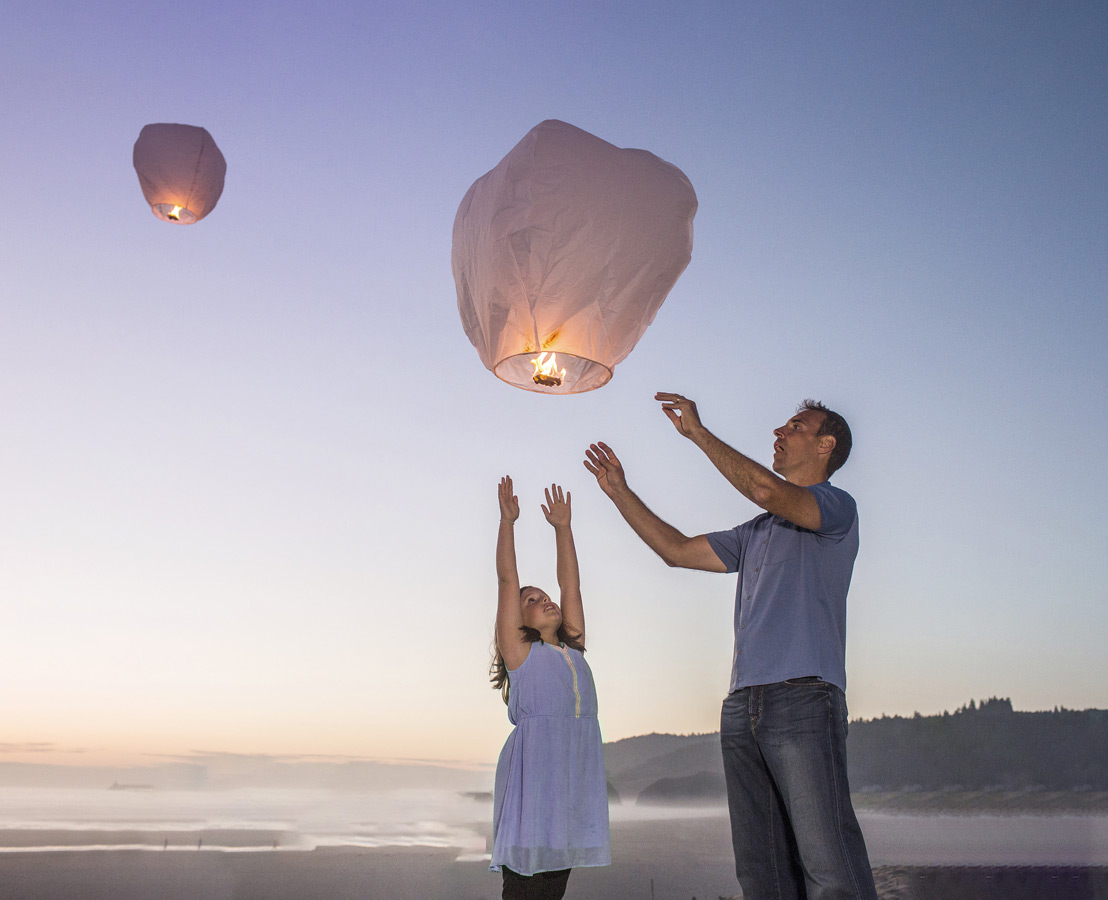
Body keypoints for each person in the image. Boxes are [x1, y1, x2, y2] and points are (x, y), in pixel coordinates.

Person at [583, 396, 877, 900]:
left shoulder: (836, 508)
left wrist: (698, 433)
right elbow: (675, 551)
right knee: (762, 872)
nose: (779, 430)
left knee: (830, 868)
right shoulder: (756, 532)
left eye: (796, 426)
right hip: (742, 707)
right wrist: (618, 492)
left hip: (804, 699)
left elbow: (766, 489)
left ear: (825, 445)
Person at [489, 476, 610, 900]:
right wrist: (508, 522)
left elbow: (570, 586)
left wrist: (564, 529)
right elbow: (508, 582)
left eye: (543, 596)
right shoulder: (521, 654)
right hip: (535, 783)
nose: (544, 600)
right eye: (532, 601)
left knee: (554, 888)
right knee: (525, 887)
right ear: (518, 622)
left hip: (571, 781)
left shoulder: (574, 649)